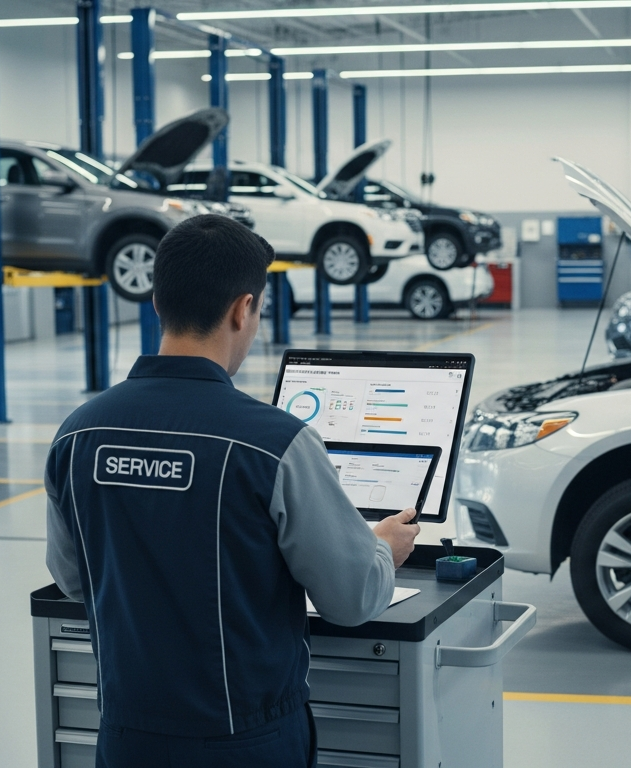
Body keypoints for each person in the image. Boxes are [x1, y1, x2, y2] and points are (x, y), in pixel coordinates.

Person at [44, 214, 421, 767]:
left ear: (157, 302)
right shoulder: (274, 444)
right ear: (242, 308)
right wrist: (382, 548)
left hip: (127, 737)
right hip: (247, 742)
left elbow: (73, 579)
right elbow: (352, 598)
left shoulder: (77, 434)